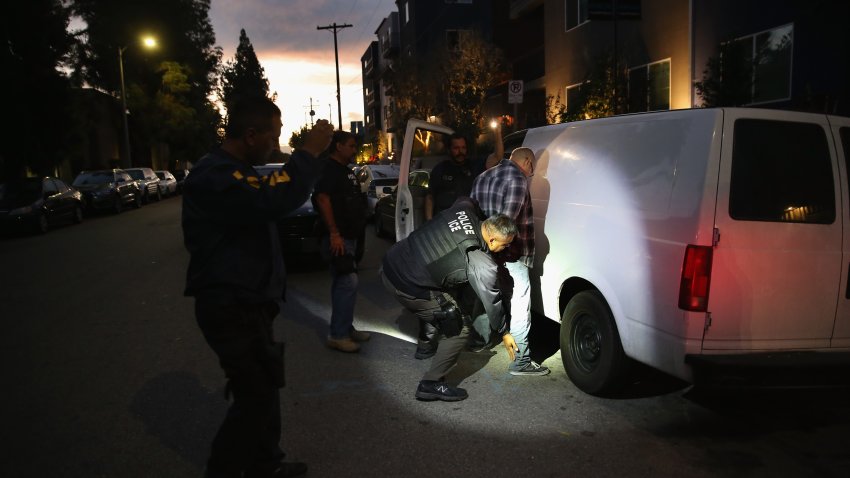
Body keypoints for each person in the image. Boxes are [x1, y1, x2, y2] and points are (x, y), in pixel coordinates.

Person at [182, 96, 333, 478]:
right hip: (230, 305)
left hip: (249, 302)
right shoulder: (214, 174)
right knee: (254, 399)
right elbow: (271, 198)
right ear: (251, 135)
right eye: (274, 135)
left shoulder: (235, 170)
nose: (276, 145)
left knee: (263, 389)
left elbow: (271, 198)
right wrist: (307, 153)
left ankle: (267, 465)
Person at [381, 197, 519, 401]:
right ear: (491, 240)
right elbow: (492, 299)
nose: (505, 249)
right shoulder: (481, 262)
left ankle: (426, 345)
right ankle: (431, 384)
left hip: (391, 262)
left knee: (445, 296)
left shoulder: (463, 210)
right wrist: (504, 331)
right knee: (458, 326)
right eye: (505, 245)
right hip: (406, 284)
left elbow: (466, 199)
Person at [471, 147, 551, 376]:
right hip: (510, 252)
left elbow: (477, 217)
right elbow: (507, 226)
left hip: (485, 248)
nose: (531, 174)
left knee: (486, 291)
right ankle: (521, 360)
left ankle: (478, 341)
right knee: (520, 301)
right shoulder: (517, 179)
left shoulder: (483, 176)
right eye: (532, 169)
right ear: (527, 162)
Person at [312, 130, 371, 352]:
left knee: (345, 284)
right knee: (347, 282)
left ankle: (346, 327)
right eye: (351, 145)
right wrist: (334, 233)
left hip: (350, 236)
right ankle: (338, 334)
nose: (354, 150)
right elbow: (322, 198)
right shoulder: (328, 169)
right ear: (338, 146)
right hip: (338, 238)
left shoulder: (344, 171)